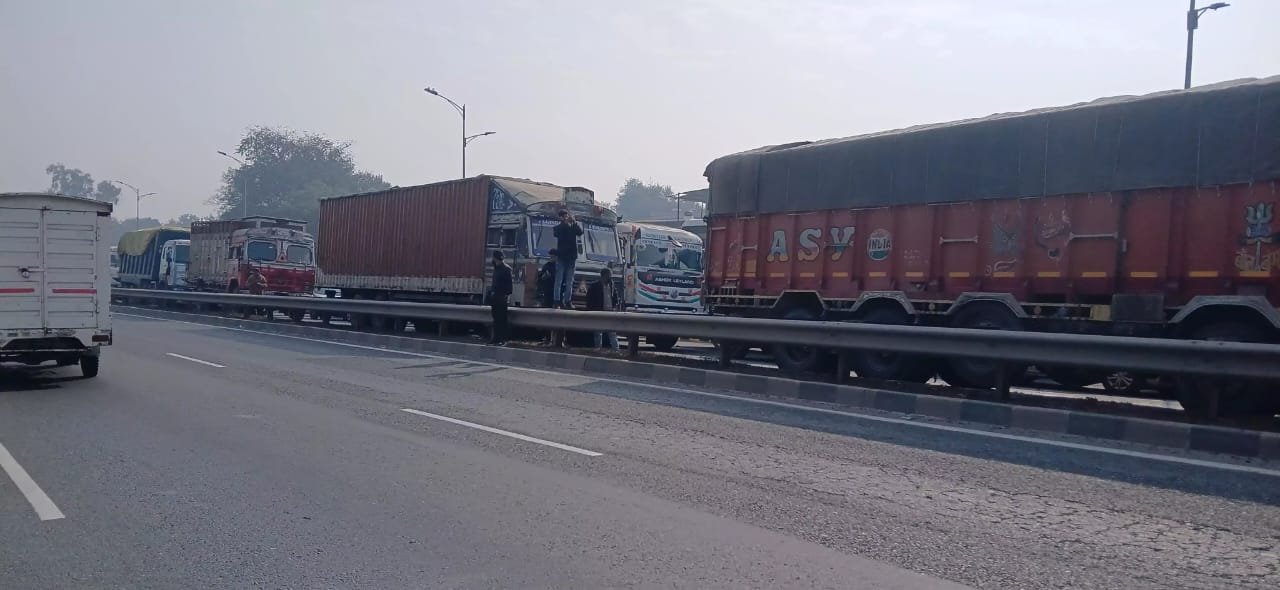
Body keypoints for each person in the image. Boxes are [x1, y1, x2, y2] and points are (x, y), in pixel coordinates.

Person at [552, 209, 583, 308]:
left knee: (570, 281)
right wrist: (565, 223)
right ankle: (557, 301)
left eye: (566, 216)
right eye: (563, 216)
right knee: (559, 280)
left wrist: (575, 222)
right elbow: (556, 233)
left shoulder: (572, 227)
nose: (565, 217)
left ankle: (568, 300)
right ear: (560, 217)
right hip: (561, 256)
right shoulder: (558, 228)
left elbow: (580, 232)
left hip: (571, 257)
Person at [586, 267, 620, 351]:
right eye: (608, 276)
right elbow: (589, 299)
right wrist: (592, 311)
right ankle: (598, 348)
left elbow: (615, 298)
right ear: (603, 276)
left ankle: (616, 350)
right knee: (598, 332)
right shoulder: (594, 286)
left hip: (610, 312)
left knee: (612, 332)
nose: (610, 278)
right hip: (599, 311)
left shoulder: (612, 285)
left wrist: (615, 307)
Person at [488, 249, 512, 345]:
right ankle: (496, 338)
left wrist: (505, 295)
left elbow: (509, 287)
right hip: (495, 297)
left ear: (495, 258)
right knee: (495, 318)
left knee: (502, 319)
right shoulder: (496, 268)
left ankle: (502, 339)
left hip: (501, 297)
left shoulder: (506, 269)